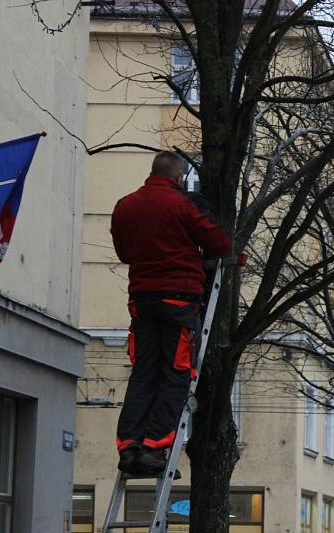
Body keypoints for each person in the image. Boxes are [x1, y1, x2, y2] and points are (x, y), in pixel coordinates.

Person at [111, 151, 232, 475]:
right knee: (175, 375)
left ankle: (129, 447)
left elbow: (124, 252)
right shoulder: (182, 205)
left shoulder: (126, 206)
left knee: (144, 373)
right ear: (179, 178)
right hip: (178, 299)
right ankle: (153, 448)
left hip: (141, 300)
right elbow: (219, 243)